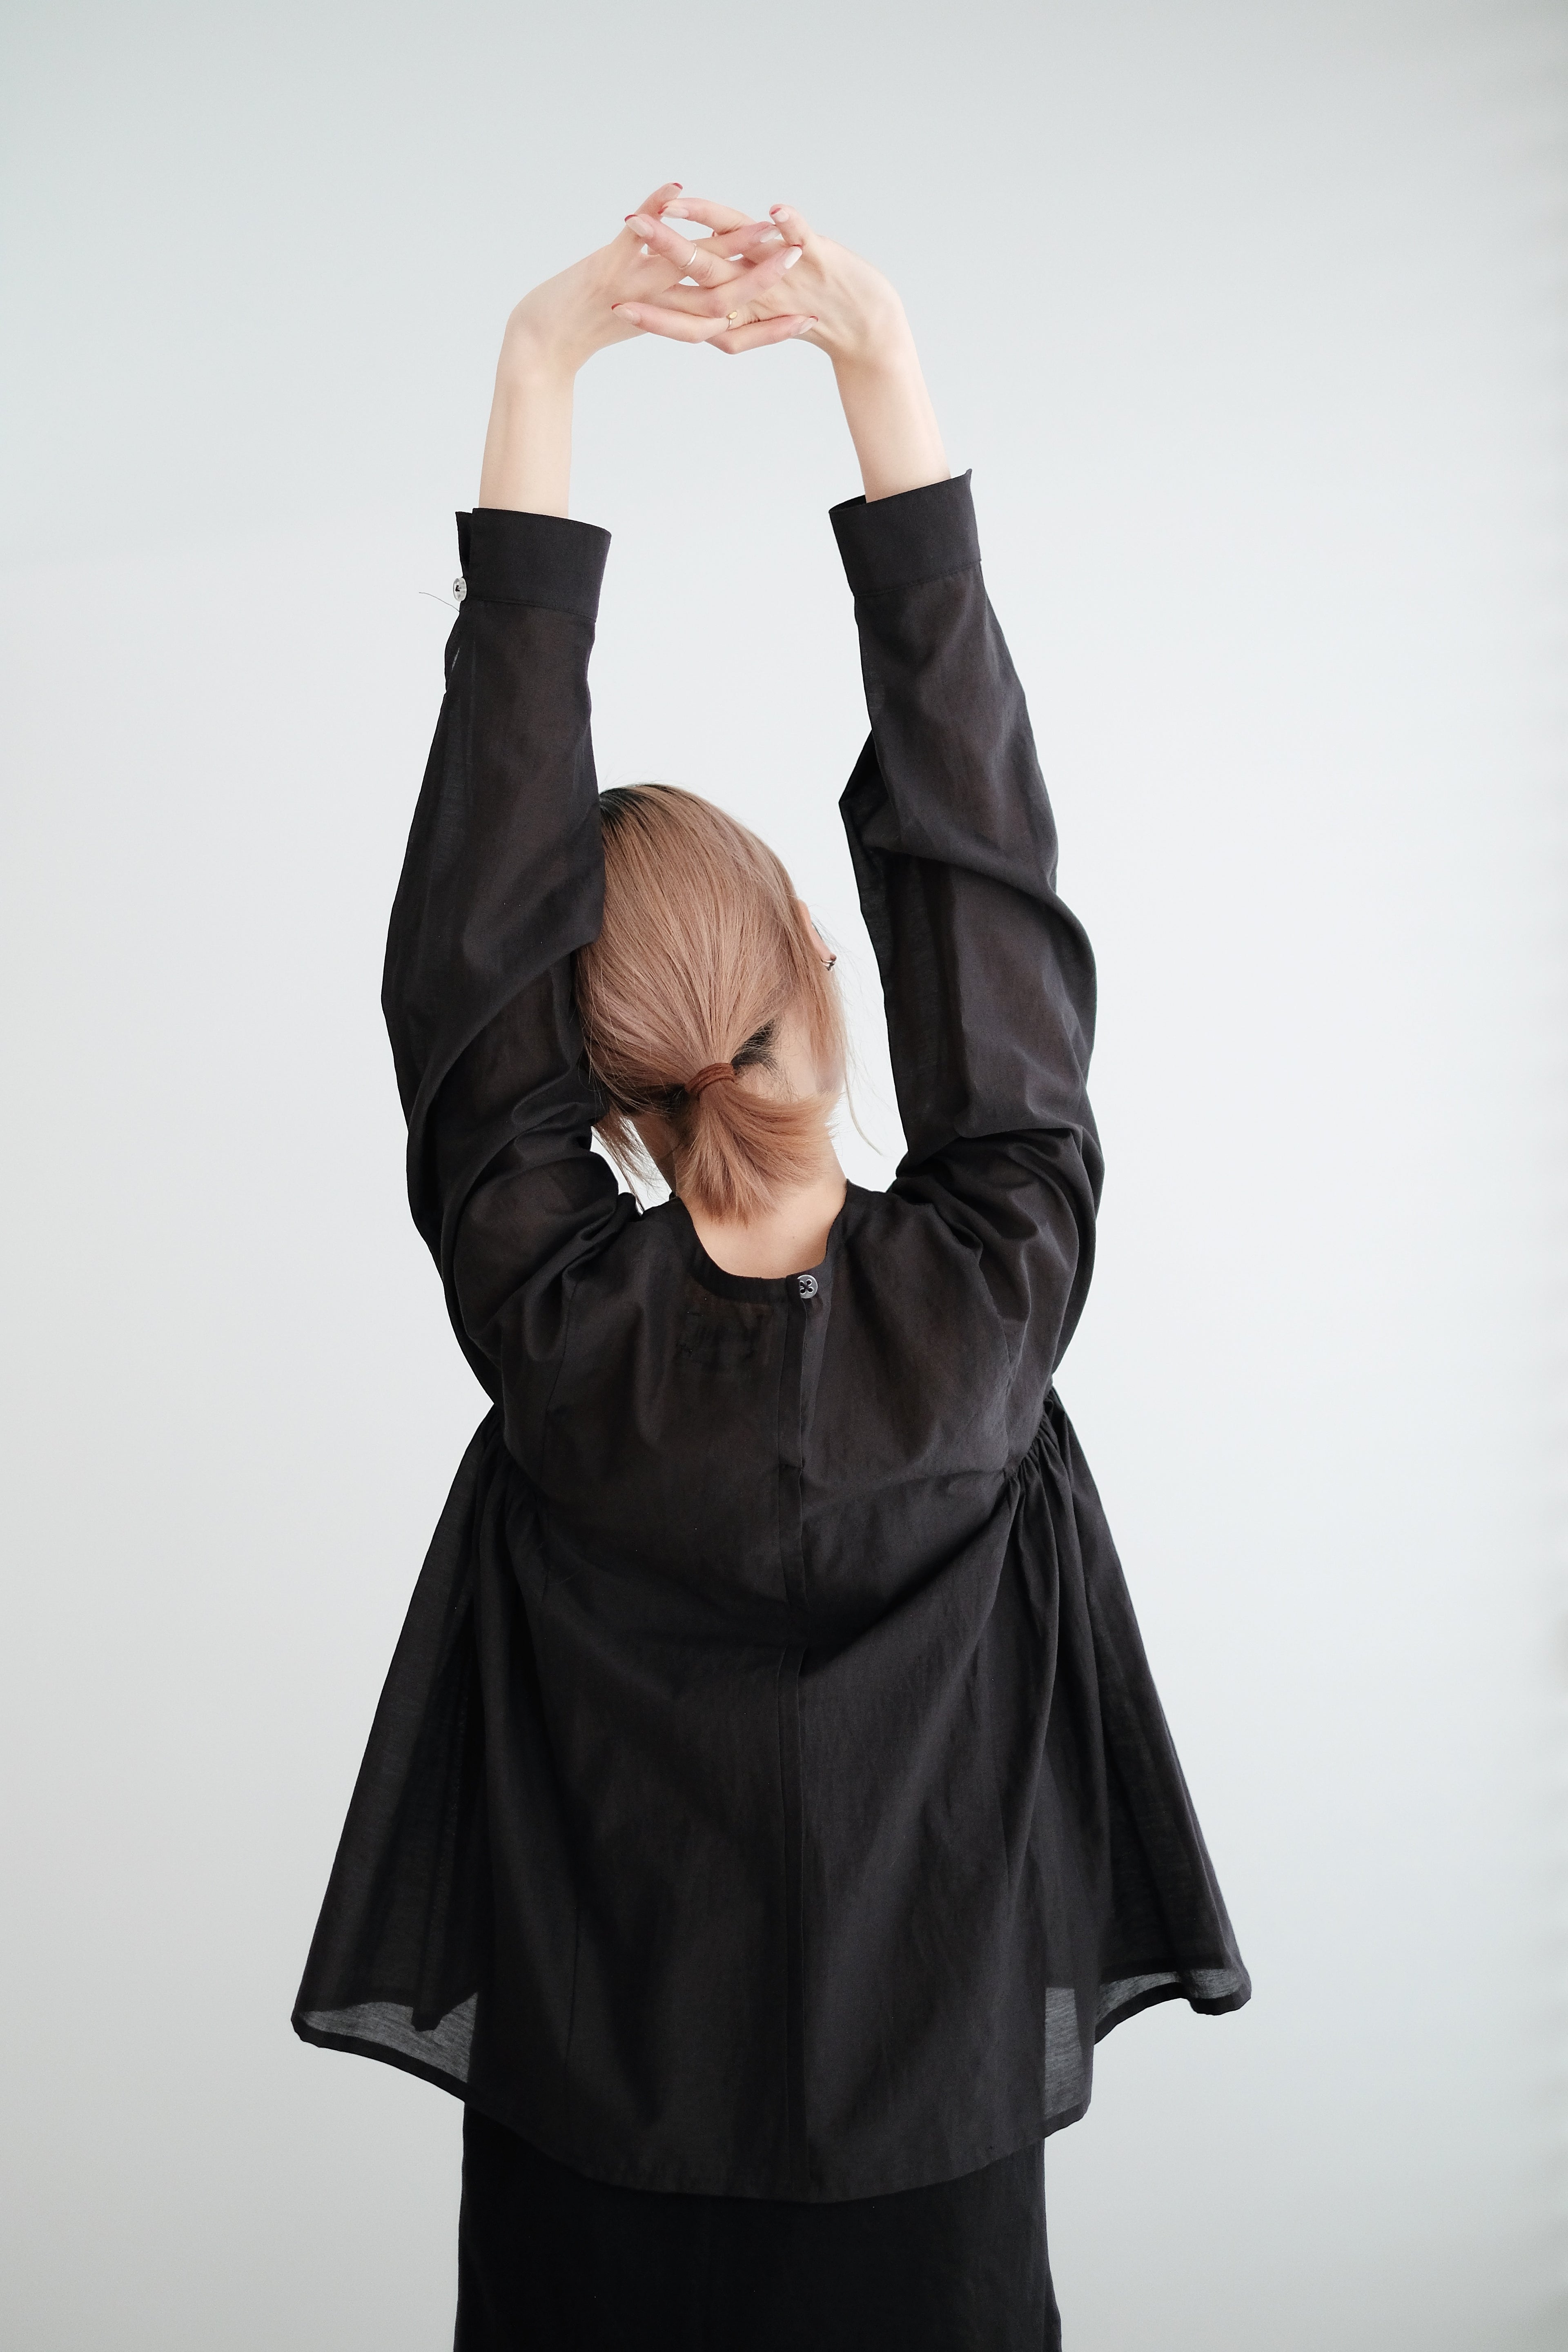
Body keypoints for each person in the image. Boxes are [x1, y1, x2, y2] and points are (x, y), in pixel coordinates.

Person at [293, 184, 1251, 2351]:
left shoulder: (557, 1328)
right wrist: (877, 371)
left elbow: (470, 944)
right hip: (932, 2176)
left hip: (592, 2170)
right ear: (829, 953)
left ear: (585, 1079)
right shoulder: (992, 1294)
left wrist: (543, 361)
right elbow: (985, 871)